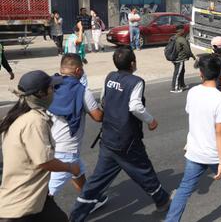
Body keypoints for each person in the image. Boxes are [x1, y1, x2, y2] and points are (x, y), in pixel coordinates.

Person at [69, 47, 171, 222]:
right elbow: (135, 107)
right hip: (127, 140)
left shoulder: (110, 77)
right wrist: (151, 120)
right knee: (144, 171)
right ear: (133, 64)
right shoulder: (136, 81)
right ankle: (162, 200)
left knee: (95, 183)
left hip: (108, 138)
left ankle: (75, 217)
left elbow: (103, 99)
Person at [165, 55, 221, 222]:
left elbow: (192, 115)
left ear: (201, 73)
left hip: (195, 151)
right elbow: (220, 133)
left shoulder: (192, 92)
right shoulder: (220, 99)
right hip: (214, 154)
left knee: (184, 188)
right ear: (219, 73)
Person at [0, 71, 81, 221]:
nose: (54, 92)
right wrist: (71, 168)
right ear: (40, 94)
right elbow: (45, 161)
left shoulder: (18, 115)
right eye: (51, 88)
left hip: (38, 198)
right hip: (21, 206)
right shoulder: (34, 121)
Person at [47, 54, 106, 209]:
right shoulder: (82, 91)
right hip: (66, 149)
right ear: (78, 70)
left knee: (78, 170)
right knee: (48, 193)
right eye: (83, 70)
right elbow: (98, 116)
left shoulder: (50, 86)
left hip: (49, 141)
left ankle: (90, 200)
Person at [170, 24, 194, 93]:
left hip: (174, 57)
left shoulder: (173, 37)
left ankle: (182, 85)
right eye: (183, 29)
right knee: (177, 73)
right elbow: (187, 50)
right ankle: (174, 88)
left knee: (182, 71)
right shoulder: (181, 39)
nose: (184, 30)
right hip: (179, 59)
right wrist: (191, 56)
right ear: (181, 30)